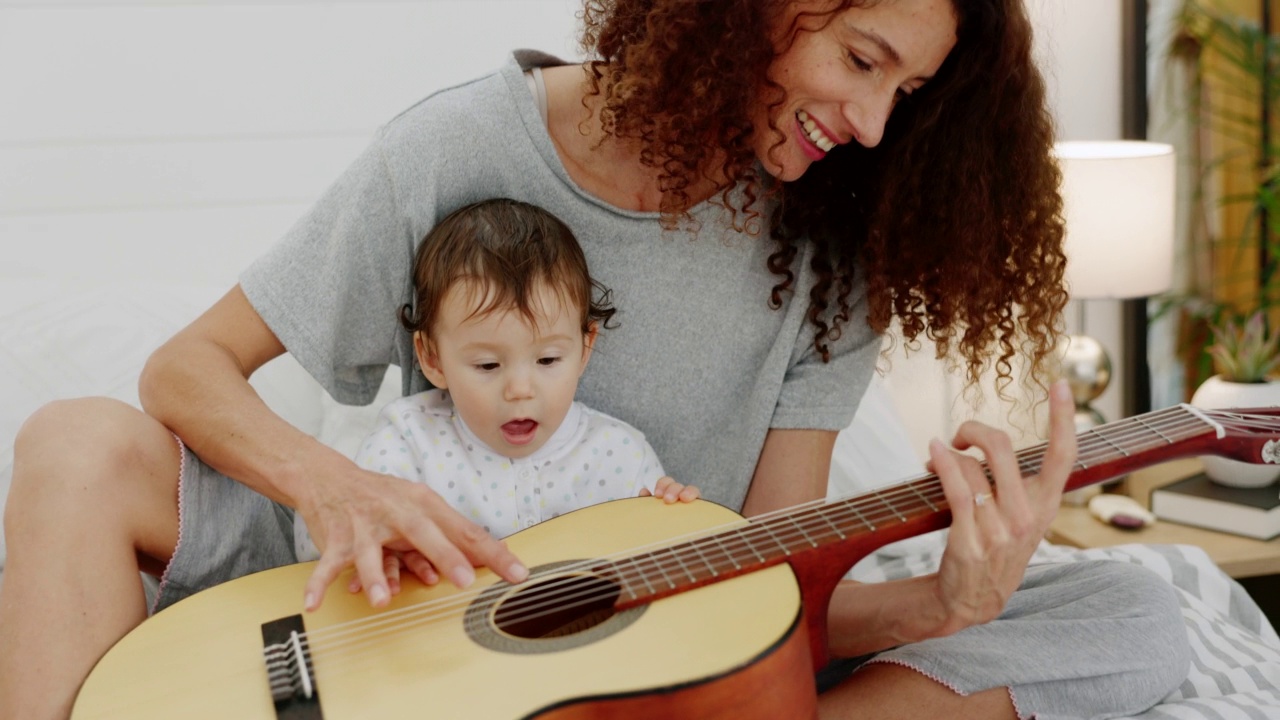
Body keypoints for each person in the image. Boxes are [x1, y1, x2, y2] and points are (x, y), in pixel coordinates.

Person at [0, 0, 1190, 718]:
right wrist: (344, 487)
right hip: (396, 601)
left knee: (1124, 612)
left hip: (648, 635)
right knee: (73, 440)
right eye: (863, 61)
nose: (873, 126)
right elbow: (186, 368)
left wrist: (945, 599)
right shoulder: (461, 143)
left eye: (908, 93)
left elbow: (780, 592)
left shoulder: (834, 242)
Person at [292, 197, 700, 592]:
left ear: (585, 346)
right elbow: (336, 536)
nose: (520, 390)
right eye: (488, 365)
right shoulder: (408, 443)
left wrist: (669, 521)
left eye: (548, 360)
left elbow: (661, 580)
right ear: (432, 358)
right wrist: (376, 550)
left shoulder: (620, 455)